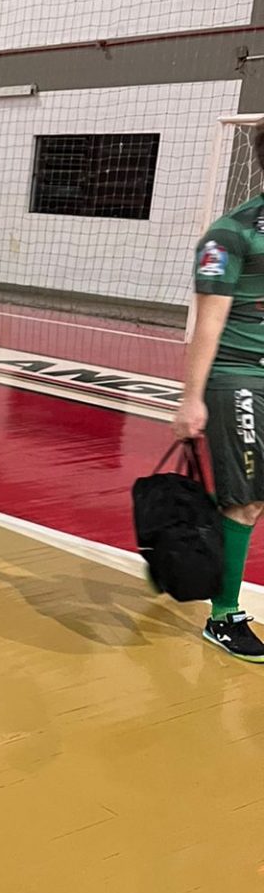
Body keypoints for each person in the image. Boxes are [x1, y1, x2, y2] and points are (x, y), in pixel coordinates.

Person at [174, 117, 264, 660]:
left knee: (253, 497)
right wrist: (191, 398)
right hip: (239, 376)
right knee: (246, 498)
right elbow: (207, 323)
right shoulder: (231, 234)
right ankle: (224, 615)